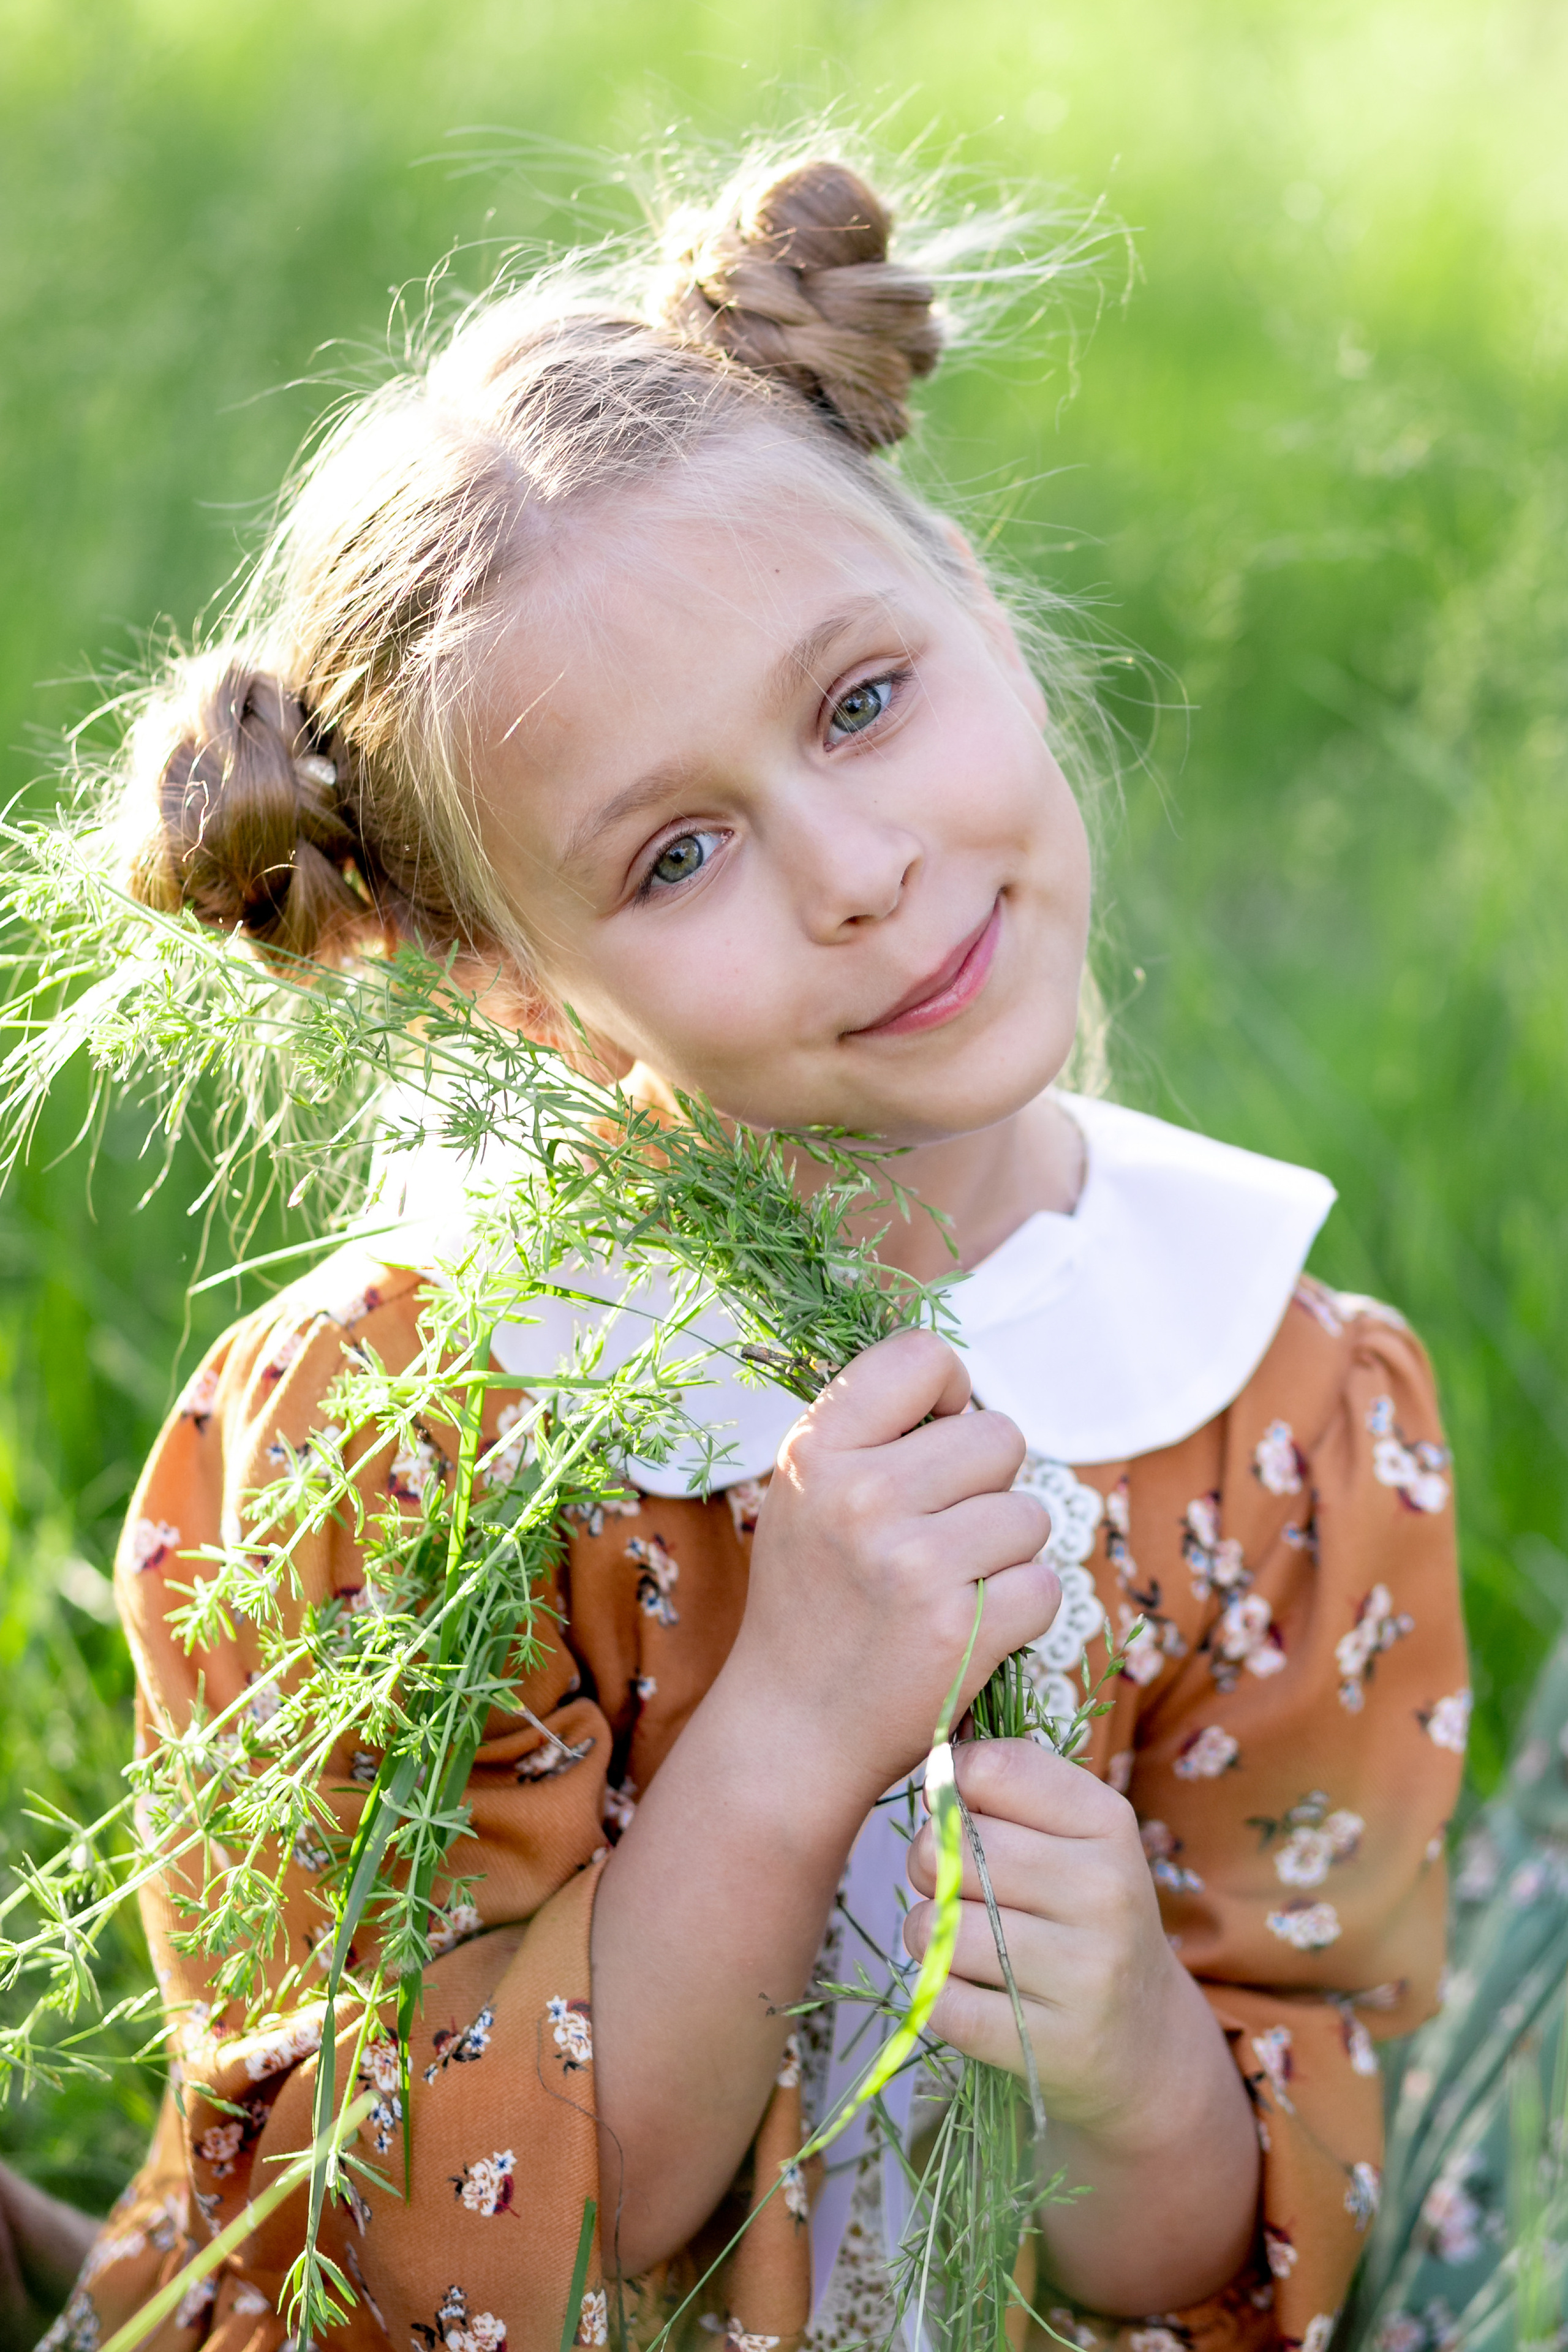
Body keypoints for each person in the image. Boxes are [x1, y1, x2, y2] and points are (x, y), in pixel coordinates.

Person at [32, 148, 1467, 2352]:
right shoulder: (409, 1443)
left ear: (979, 605)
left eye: (863, 702)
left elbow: (1258, 2238)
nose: (859, 872)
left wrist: (1127, 2065)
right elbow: (430, 2256)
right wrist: (789, 1725)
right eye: (679, 850)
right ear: (513, 982)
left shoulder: (1279, 1409)